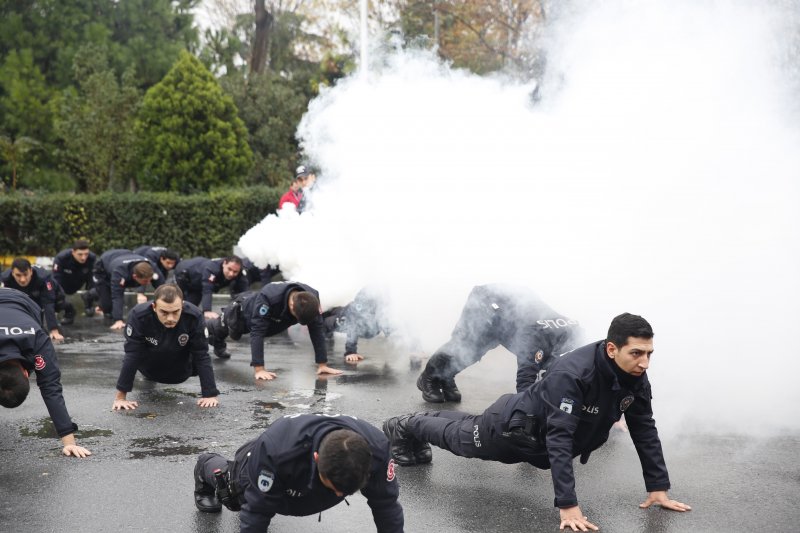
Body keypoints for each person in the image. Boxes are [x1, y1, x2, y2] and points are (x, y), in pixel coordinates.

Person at [383, 313, 691, 532]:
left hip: (538, 435)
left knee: (466, 424)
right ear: (612, 349)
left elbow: (644, 428)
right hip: (513, 429)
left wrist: (658, 488)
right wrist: (568, 505)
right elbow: (560, 436)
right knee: (461, 438)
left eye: (649, 353)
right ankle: (406, 424)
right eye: (637, 353)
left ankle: (417, 422)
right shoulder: (573, 375)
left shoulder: (634, 373)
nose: (644, 362)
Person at [193, 413, 403, 533]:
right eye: (334, 488)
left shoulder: (378, 450)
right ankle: (205, 465)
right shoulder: (276, 453)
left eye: (348, 491)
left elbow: (386, 505)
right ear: (317, 459)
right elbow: (257, 513)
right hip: (266, 458)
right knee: (232, 498)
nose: (340, 495)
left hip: (299, 466)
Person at [416, 284, 581, 403]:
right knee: (465, 343)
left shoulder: (577, 335)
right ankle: (429, 377)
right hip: (486, 301)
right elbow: (525, 382)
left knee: (481, 346)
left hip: (511, 309)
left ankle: (445, 376)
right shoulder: (535, 341)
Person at [0, 288, 91, 458]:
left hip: (22, 303)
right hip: (19, 302)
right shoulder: (38, 341)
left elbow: (50, 385)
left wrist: (69, 441)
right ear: (26, 374)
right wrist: (69, 443)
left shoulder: (36, 339)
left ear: (26, 374)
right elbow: (50, 387)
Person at [112, 284, 219, 411]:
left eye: (175, 312)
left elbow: (202, 355)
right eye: (164, 312)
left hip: (182, 371)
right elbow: (132, 354)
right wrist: (120, 398)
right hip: (149, 369)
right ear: (154, 307)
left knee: (200, 353)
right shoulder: (139, 316)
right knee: (133, 354)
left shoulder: (194, 316)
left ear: (182, 306)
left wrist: (210, 394)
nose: (170, 318)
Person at [205, 281, 341, 379]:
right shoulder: (269, 297)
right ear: (292, 305)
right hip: (243, 314)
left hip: (274, 322)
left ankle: (216, 340)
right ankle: (205, 327)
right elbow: (257, 332)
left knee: (230, 334)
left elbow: (317, 330)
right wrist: (259, 369)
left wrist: (322, 364)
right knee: (224, 329)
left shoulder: (312, 298)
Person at [1, 258, 72, 341]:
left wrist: (54, 330)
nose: (22, 279)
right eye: (18, 275)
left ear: (31, 271)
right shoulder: (5, 279)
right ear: (12, 273)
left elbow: (48, 304)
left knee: (58, 306)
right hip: (28, 296)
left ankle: (69, 309)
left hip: (54, 295)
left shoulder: (44, 278)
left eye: (25, 274)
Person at [93, 249, 163, 331]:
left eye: (149, 280)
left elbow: (164, 289)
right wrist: (118, 320)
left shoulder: (152, 266)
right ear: (134, 277)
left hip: (125, 255)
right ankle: (91, 297)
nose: (148, 283)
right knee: (107, 305)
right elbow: (117, 296)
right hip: (103, 268)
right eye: (145, 281)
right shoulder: (119, 272)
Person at [322, 286, 392, 363]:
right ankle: (325, 314)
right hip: (347, 314)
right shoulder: (356, 311)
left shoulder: (382, 309)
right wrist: (350, 352)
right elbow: (352, 326)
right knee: (326, 323)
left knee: (339, 311)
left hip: (352, 312)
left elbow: (392, 329)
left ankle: (332, 310)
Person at [174, 255, 249, 320]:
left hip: (198, 286)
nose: (231, 274)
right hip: (183, 274)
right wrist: (207, 311)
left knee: (190, 310)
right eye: (229, 269)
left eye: (235, 272)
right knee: (178, 304)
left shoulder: (240, 272)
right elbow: (207, 290)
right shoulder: (212, 268)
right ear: (224, 263)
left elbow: (244, 292)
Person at [52, 239, 97, 316]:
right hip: (65, 281)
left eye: (86, 254)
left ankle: (89, 304)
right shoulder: (61, 258)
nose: (83, 258)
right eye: (80, 254)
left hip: (81, 278)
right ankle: (68, 311)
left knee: (98, 288)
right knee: (53, 290)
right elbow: (55, 280)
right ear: (73, 252)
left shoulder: (92, 258)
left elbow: (94, 279)